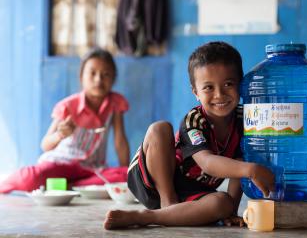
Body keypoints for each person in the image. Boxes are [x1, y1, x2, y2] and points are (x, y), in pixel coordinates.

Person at [103, 41, 275, 229]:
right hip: (154, 180)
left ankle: (163, 215)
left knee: (223, 202)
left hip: (192, 192)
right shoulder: (194, 121)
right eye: (208, 87)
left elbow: (239, 163)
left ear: (240, 86)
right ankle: (157, 208)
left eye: (228, 84)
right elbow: (207, 163)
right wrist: (251, 170)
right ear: (196, 92)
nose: (219, 94)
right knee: (160, 128)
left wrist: (230, 211)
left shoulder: (246, 120)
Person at [0, 48, 130, 193]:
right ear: (81, 76)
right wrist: (60, 135)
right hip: (62, 164)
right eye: (92, 73)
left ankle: (67, 186)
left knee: (126, 176)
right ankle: (5, 183)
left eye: (106, 74)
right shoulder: (68, 106)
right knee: (30, 178)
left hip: (93, 169)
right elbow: (45, 145)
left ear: (114, 79)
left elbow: (120, 141)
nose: (98, 79)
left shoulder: (116, 103)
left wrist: (125, 175)